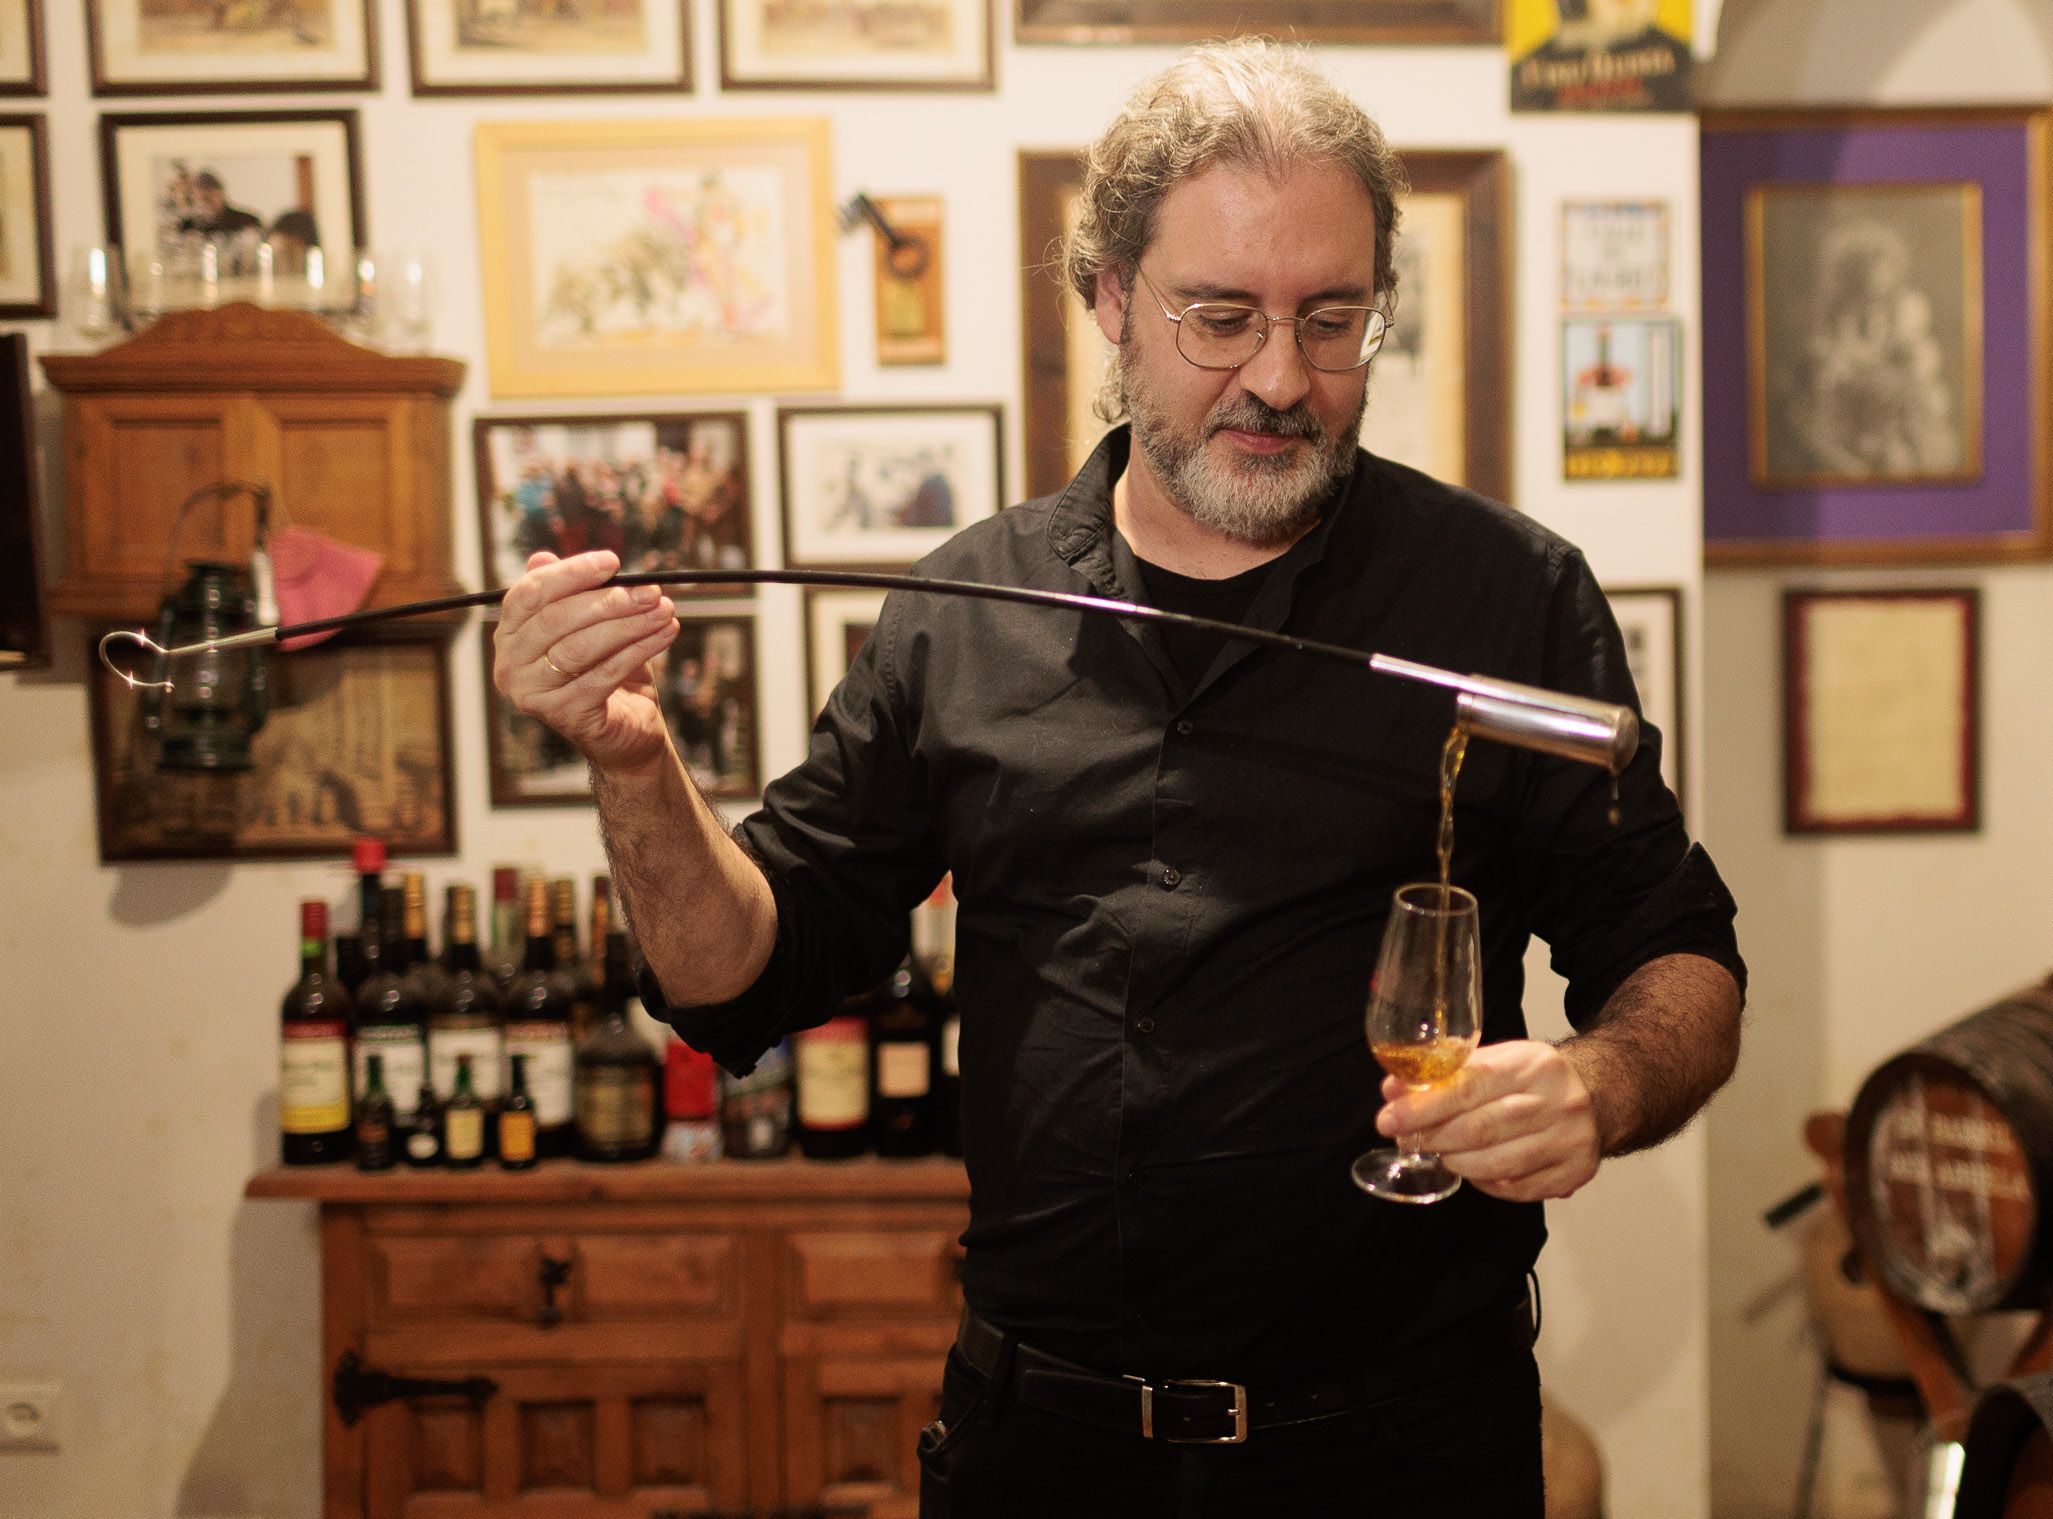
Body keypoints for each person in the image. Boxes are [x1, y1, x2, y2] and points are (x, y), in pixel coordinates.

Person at [491, 40, 1741, 1519]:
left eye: (1331, 321)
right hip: (1048, 1452)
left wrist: (1597, 1084)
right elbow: (736, 974)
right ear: (1106, 301)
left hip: (1402, 1452)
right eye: (1221, 317)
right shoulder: (966, 610)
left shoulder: (1506, 597)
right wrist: (635, 768)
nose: (1281, 377)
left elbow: (1681, 959)